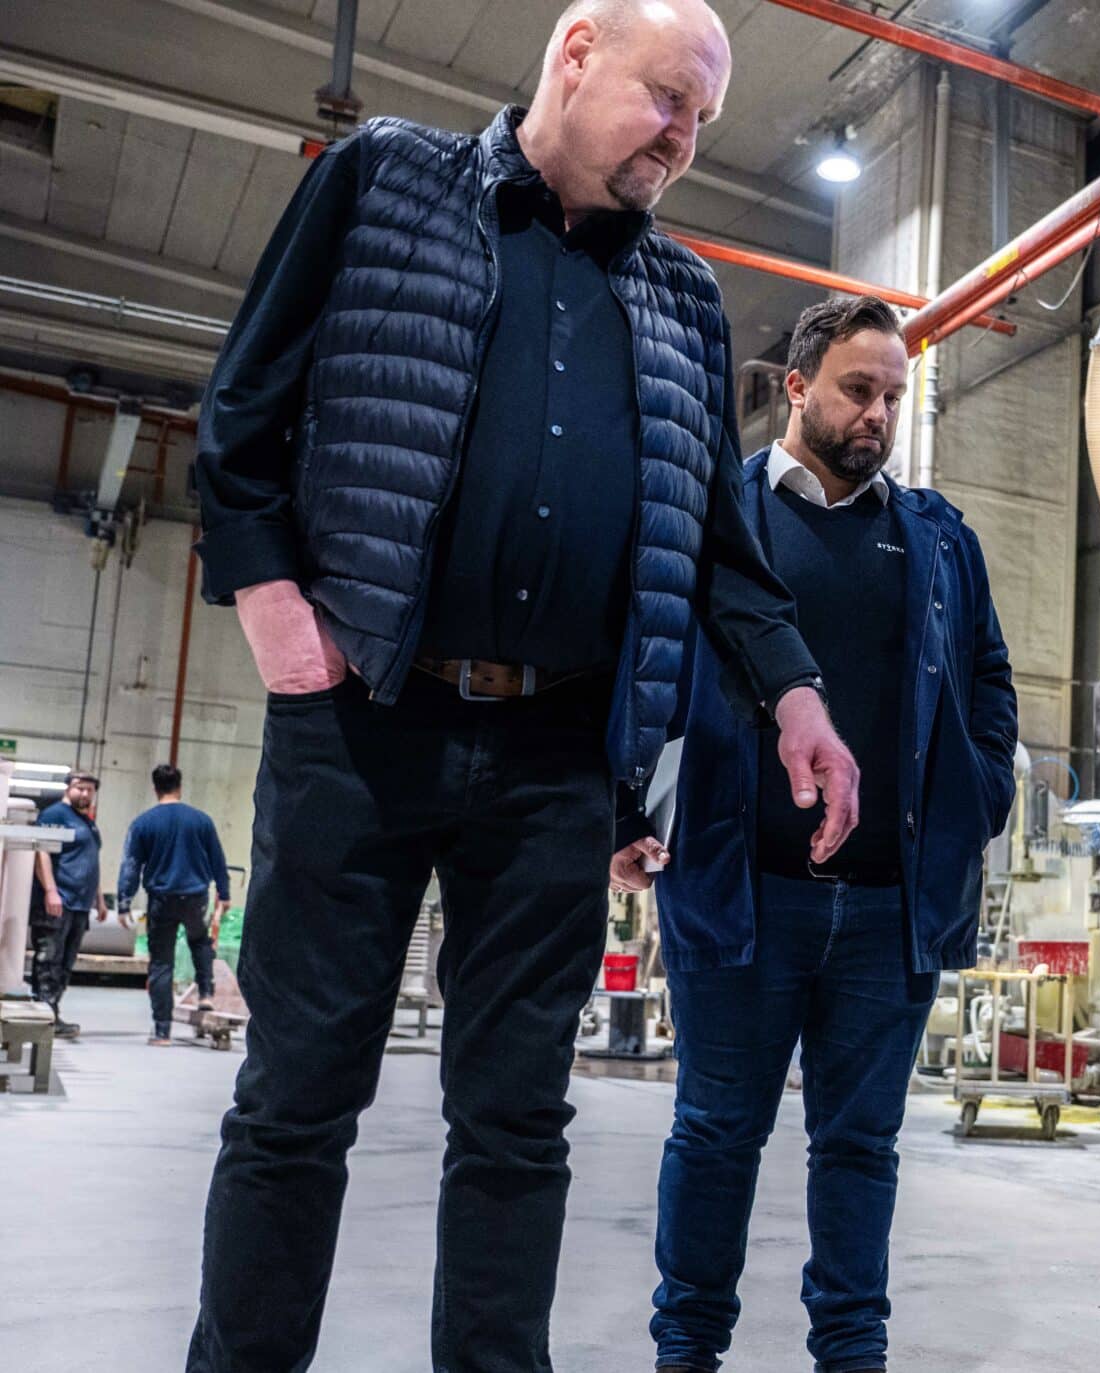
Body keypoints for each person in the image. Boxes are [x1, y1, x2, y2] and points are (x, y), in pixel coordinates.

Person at [186, 1, 860, 1368]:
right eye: (667, 98)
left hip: (557, 755)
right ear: (576, 49)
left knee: (514, 1123)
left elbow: (716, 546)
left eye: (704, 121)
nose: (682, 139)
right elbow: (241, 414)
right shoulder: (383, 182)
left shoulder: (682, 296)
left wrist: (797, 696)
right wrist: (273, 611)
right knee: (296, 1099)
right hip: (363, 721)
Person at [648, 296, 1017, 1373]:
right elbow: (655, 658)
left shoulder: (936, 538)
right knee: (717, 1133)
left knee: (860, 1145)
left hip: (887, 909)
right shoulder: (724, 514)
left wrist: (981, 794)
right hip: (741, 896)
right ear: (797, 385)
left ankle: (852, 1353)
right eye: (859, 390)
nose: (878, 415)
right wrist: (635, 805)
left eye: (895, 396)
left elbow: (988, 679)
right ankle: (686, 1351)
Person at [116, 764, 233, 1045]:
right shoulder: (201, 821)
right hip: (196, 897)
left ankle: (162, 1031)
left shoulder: (143, 823)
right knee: (200, 942)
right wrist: (224, 892)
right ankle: (205, 994)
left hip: (161, 900)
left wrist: (124, 902)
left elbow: (131, 865)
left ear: (155, 788)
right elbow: (217, 859)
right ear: (179, 787)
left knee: (161, 962)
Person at [31, 771, 117, 1038]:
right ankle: (43, 1017)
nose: (85, 793)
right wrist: (51, 890)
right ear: (68, 788)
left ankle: (52, 1013)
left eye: (90, 790)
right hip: (59, 901)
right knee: (49, 960)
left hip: (80, 904)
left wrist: (99, 899)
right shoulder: (55, 815)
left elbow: (91, 861)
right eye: (80, 788)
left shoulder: (87, 822)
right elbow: (41, 852)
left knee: (66, 963)